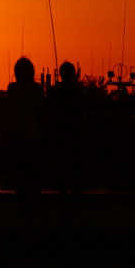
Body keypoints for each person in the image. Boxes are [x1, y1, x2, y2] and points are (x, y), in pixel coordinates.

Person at [5, 56, 45, 197]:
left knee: (19, 175)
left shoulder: (12, 89)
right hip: (33, 135)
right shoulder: (37, 89)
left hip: (16, 136)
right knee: (33, 174)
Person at [48, 61, 87, 194]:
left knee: (62, 167)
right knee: (75, 166)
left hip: (60, 134)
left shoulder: (55, 91)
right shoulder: (79, 91)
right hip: (76, 133)